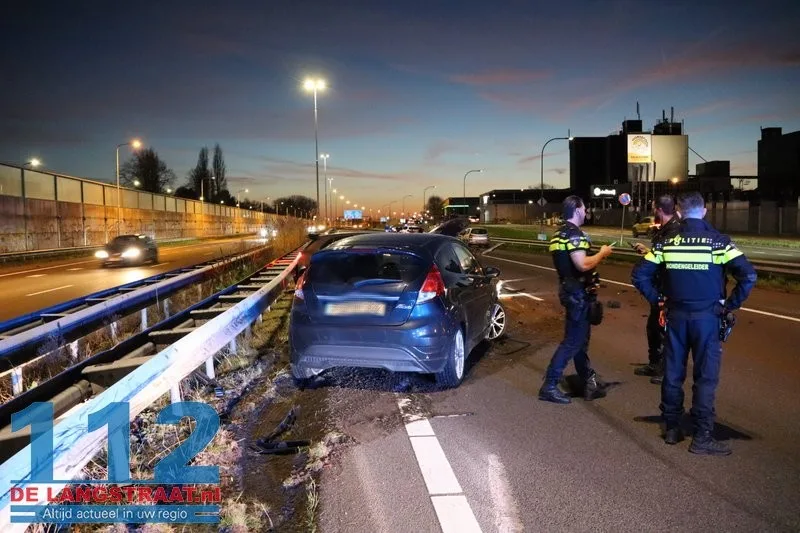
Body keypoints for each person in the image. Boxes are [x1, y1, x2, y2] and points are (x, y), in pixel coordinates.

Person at [632, 191, 756, 455]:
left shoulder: (667, 243)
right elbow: (749, 276)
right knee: (705, 378)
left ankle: (672, 429)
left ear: (678, 211)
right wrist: (730, 304)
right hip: (708, 319)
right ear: (705, 211)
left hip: (675, 317)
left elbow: (639, 275)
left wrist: (659, 301)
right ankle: (702, 436)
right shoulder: (718, 243)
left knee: (673, 374)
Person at [539, 195, 613, 404]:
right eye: (585, 207)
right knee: (572, 342)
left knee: (580, 341)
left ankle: (588, 380)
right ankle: (550, 385)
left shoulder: (558, 235)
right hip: (578, 294)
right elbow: (583, 264)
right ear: (578, 209)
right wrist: (602, 253)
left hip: (571, 290)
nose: (586, 211)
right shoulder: (574, 234)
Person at [632, 195, 681, 384]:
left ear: (659, 210)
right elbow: (663, 255)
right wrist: (647, 252)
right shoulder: (666, 229)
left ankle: (667, 370)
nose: (653, 212)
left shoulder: (675, 230)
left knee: (665, 330)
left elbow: (672, 258)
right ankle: (654, 363)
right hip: (660, 284)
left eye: (654, 209)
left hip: (669, 287)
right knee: (654, 327)